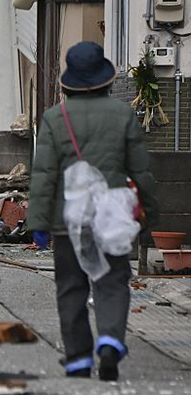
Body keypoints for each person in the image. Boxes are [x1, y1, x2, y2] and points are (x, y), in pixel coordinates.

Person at [30, 41, 159, 382]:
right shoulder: (122, 115)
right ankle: (110, 341)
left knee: (71, 285)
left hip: (67, 220)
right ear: (105, 79)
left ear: (69, 81)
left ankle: (77, 359)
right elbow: (141, 171)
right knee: (112, 282)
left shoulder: (54, 119)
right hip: (112, 216)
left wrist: (39, 223)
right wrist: (150, 216)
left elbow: (45, 175)